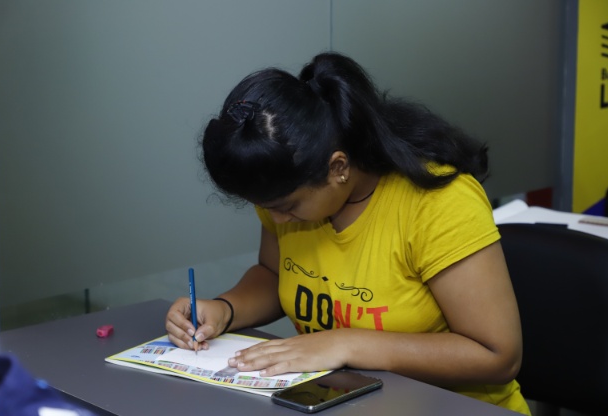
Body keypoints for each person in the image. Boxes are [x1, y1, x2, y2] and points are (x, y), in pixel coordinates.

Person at [165, 52, 530, 415]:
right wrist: (225, 309)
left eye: (287, 205)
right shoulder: (286, 193)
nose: (277, 219)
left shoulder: (438, 203)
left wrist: (346, 344)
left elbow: (497, 356)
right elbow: (275, 274)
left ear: (338, 167)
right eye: (265, 206)